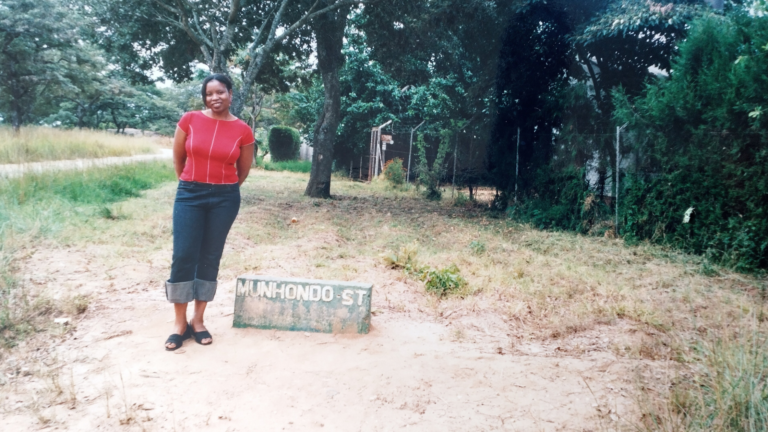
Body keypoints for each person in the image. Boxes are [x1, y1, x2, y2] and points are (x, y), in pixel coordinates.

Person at [164, 74, 255, 351]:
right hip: (190, 194)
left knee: (209, 256)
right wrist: (192, 182)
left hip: (225, 198)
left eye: (220, 92)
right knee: (183, 254)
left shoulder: (243, 130)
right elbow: (179, 159)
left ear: (230, 94)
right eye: (209, 93)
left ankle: (199, 320)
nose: (215, 97)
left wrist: (221, 188)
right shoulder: (189, 120)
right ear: (205, 97)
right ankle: (180, 324)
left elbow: (243, 171)